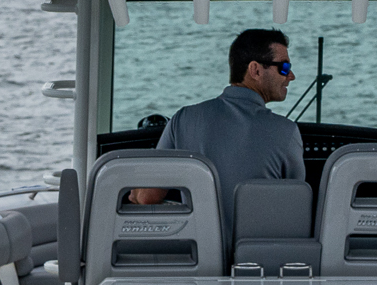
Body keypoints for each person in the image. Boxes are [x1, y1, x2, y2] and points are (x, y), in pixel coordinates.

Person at [130, 29, 304, 232]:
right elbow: (296, 209)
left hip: (196, 257)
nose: (291, 76)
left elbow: (146, 197)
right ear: (255, 70)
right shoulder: (286, 132)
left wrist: (135, 192)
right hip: (258, 260)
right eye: (284, 67)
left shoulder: (183, 120)